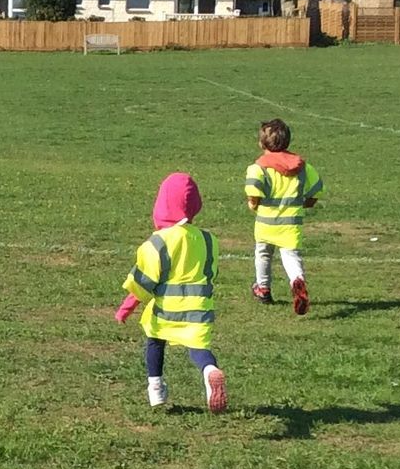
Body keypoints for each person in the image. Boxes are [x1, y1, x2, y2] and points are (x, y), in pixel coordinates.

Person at [115, 172, 227, 412]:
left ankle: (155, 389)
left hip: (167, 309)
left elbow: (143, 283)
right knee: (199, 349)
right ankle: (210, 371)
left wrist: (126, 308)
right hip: (200, 310)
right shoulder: (209, 240)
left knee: (155, 339)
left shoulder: (156, 243)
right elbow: (212, 273)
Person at [245, 118, 323, 315]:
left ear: (262, 143)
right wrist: (303, 203)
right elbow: (315, 191)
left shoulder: (258, 168)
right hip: (291, 224)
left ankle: (263, 289)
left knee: (263, 254)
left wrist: (253, 205)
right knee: (290, 256)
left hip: (265, 222)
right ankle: (297, 280)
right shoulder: (302, 167)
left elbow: (253, 193)